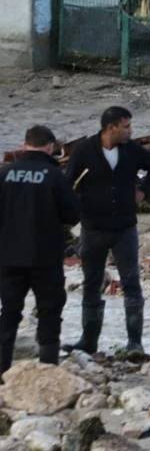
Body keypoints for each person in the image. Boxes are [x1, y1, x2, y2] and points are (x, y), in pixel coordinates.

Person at [63, 106, 150, 356]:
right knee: (92, 283)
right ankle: (88, 340)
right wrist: (77, 208)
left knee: (131, 282)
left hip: (124, 228)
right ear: (111, 128)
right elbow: (67, 183)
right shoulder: (85, 150)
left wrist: (143, 190)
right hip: (93, 228)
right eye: (126, 126)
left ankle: (134, 342)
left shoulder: (131, 150)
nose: (130, 131)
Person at [0, 126, 80, 376]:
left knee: (9, 311)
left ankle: (3, 370)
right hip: (45, 256)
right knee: (49, 310)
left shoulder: (5, 173)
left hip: (9, 255)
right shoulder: (55, 176)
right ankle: (47, 368)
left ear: (25, 145)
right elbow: (72, 215)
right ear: (50, 147)